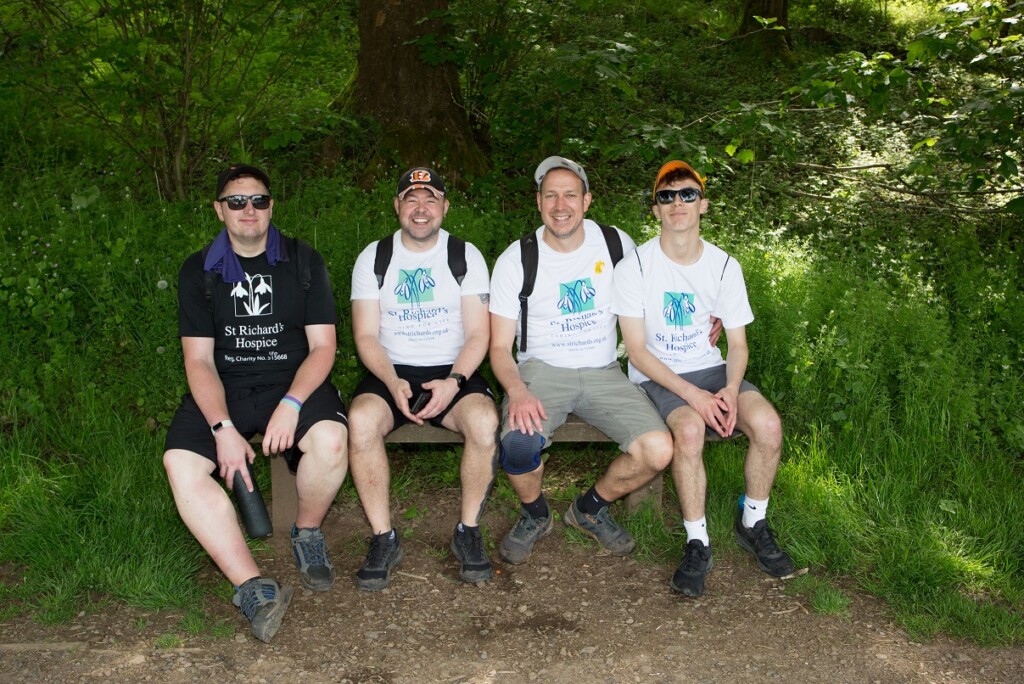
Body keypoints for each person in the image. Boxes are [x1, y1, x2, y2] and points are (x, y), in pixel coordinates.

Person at [163, 164, 348, 642]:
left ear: (272, 206)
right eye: (237, 201)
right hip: (225, 386)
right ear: (219, 209)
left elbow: (324, 347)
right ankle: (252, 586)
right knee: (181, 464)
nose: (249, 210)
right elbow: (199, 360)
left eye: (259, 200)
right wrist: (222, 428)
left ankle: (307, 532)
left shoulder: (304, 262)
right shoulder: (198, 269)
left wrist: (291, 402)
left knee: (330, 440)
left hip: (293, 382)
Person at [612, 160, 794, 598]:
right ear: (655, 209)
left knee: (768, 425)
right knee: (690, 432)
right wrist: (694, 396)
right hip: (659, 374)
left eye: (687, 194)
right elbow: (636, 351)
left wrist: (729, 390)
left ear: (703, 205)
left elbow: (739, 346)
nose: (678, 203)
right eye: (666, 196)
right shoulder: (634, 266)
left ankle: (753, 521)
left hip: (711, 369)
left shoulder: (725, 266)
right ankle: (697, 541)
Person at [488, 156, 674, 564]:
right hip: (541, 371)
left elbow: (657, 288)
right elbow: (499, 347)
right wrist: (516, 391)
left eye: (570, 195)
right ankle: (536, 515)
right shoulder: (515, 259)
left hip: (604, 370)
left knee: (658, 450)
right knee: (518, 446)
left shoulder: (615, 244)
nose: (560, 205)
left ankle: (588, 509)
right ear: (538, 202)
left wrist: (704, 318)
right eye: (550, 195)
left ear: (587, 200)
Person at [348, 167, 499, 590]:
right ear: (397, 206)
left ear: (444, 207)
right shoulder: (374, 257)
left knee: (485, 421)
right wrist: (391, 380)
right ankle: (383, 537)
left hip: (452, 370)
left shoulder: (464, 256)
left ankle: (468, 530)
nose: (421, 209)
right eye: (411, 199)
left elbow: (478, 334)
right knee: (360, 422)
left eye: (430, 199)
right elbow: (364, 334)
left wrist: (454, 381)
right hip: (391, 369)